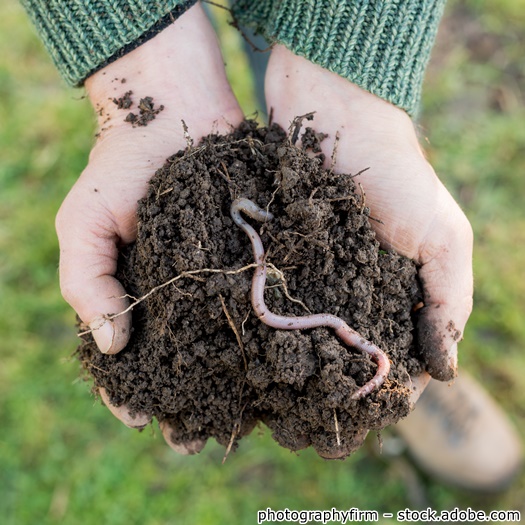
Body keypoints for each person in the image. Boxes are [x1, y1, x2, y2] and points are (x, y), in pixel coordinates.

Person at [21, 0, 521, 490]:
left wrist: (351, 69)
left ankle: (382, 362)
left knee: (288, 56)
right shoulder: (247, 235)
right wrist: (140, 62)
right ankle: (375, 363)